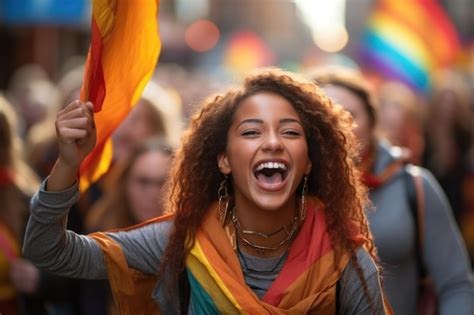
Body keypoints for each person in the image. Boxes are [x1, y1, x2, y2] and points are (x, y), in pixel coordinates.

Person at [23, 68, 391, 314]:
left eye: (291, 132)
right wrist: (68, 164)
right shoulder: (182, 241)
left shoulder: (346, 259)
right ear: (224, 160)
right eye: (251, 132)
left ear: (308, 160)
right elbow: (47, 250)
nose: (272, 143)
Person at [311, 67, 474, 315]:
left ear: (373, 123)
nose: (336, 126)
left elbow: (456, 284)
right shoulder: (290, 191)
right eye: (322, 115)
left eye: (348, 115)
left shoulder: (414, 185)